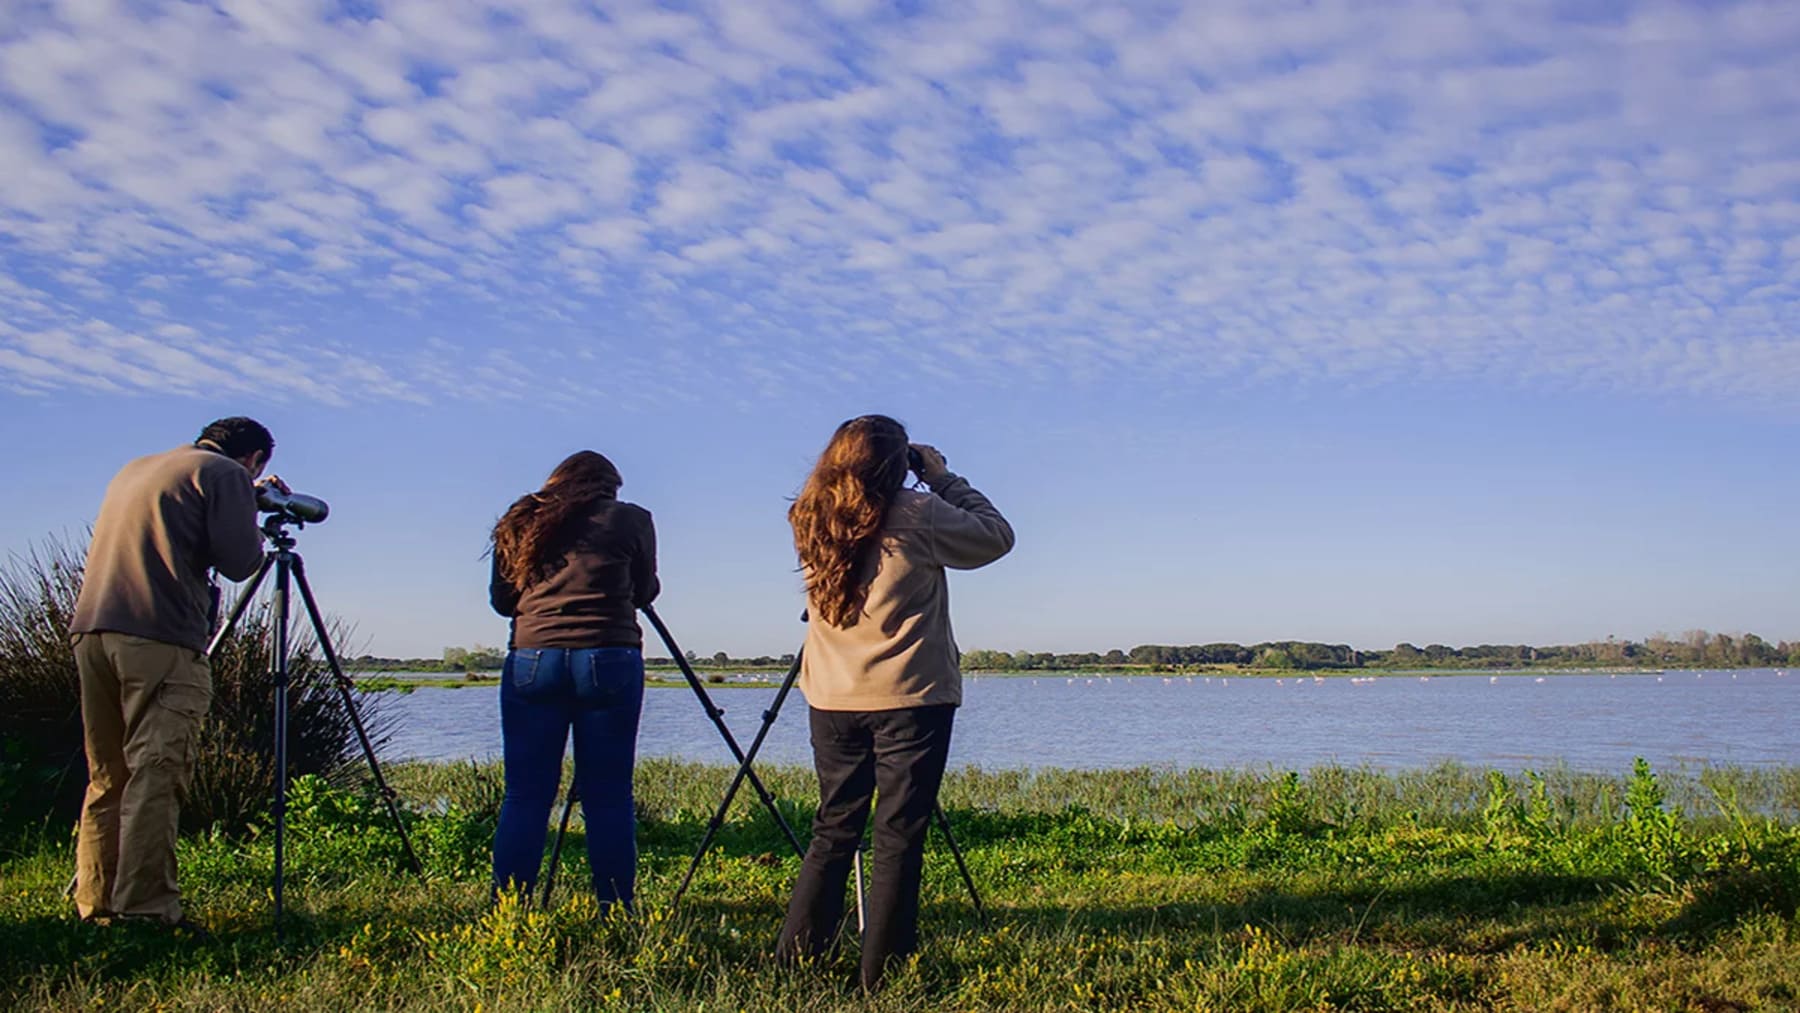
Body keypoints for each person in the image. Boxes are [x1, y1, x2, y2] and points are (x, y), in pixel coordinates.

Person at [776, 415, 1014, 990]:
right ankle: (882, 973)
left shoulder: (809, 514)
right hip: (910, 694)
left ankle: (796, 961)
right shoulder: (919, 511)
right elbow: (996, 537)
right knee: (899, 835)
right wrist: (942, 477)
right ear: (896, 461)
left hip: (831, 696)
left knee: (833, 828)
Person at [70, 417, 280, 930]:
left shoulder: (139, 468)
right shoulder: (225, 474)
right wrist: (250, 505)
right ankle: (147, 908)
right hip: (159, 636)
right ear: (253, 459)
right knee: (157, 773)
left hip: (93, 630)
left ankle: (96, 902)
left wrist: (243, 501)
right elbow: (240, 562)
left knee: (108, 775)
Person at [488, 450, 658, 909]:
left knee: (525, 794)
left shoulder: (520, 519)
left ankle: (509, 910)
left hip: (533, 659)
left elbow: (503, 601)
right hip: (610, 657)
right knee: (609, 795)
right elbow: (645, 591)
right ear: (609, 487)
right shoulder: (632, 519)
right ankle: (614, 907)